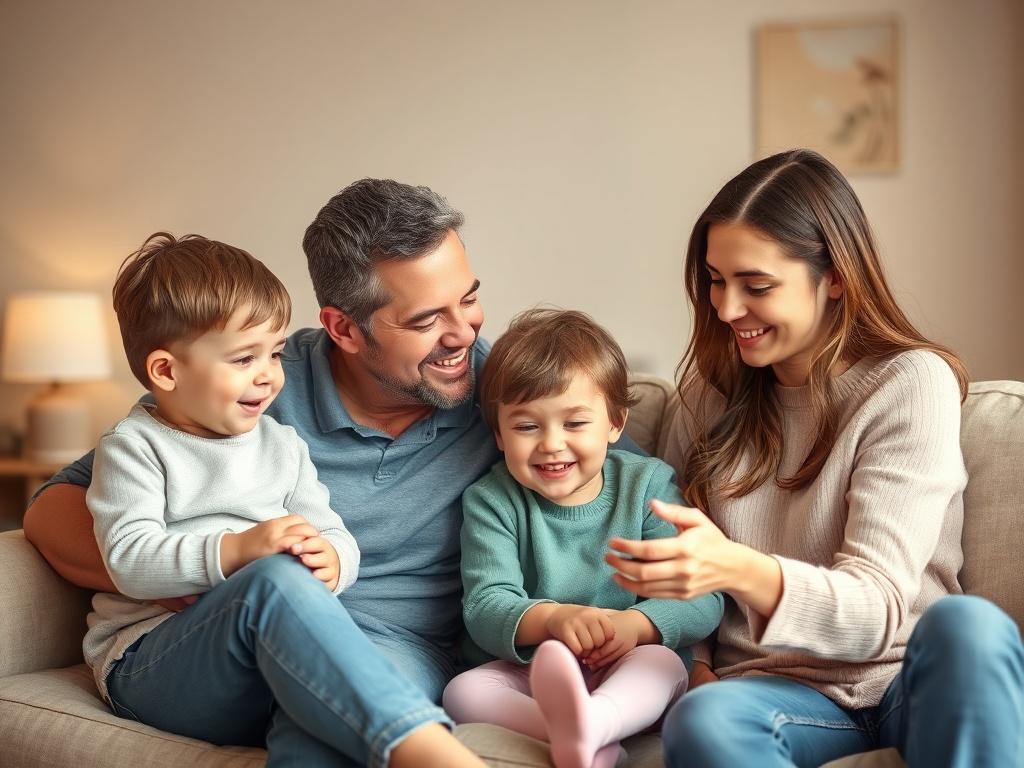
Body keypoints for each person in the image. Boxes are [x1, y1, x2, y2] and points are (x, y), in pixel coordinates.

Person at [24, 179, 507, 766]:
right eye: (427, 319)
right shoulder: (240, 398)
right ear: (345, 329)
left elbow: (613, 470)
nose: (463, 332)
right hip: (214, 641)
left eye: (469, 298)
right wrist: (202, 572)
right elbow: (56, 510)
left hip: (390, 648)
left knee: (321, 719)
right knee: (277, 591)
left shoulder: (502, 387)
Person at [605, 149, 1024, 768]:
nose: (725, 310)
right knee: (705, 718)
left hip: (906, 678)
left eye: (757, 285)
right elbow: (676, 584)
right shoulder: (707, 394)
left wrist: (735, 566)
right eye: (716, 280)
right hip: (774, 694)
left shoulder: (909, 382)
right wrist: (694, 668)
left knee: (971, 630)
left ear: (835, 277)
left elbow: (876, 611)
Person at [443, 309, 723, 768]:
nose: (552, 444)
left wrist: (633, 627)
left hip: (628, 662)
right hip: (532, 670)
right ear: (498, 434)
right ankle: (588, 737)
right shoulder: (492, 500)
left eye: (575, 424)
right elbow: (485, 605)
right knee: (464, 691)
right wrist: (554, 620)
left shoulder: (647, 487)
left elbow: (700, 596)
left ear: (615, 423)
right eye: (527, 426)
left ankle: (595, 722)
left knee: (666, 667)